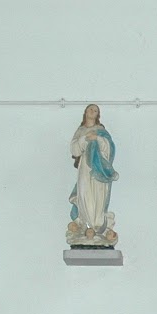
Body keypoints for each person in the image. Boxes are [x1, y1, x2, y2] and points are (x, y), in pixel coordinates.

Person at [67, 104, 119, 247]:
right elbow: (74, 150)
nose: (92, 111)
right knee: (85, 194)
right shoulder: (81, 131)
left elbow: (110, 149)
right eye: (90, 109)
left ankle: (97, 226)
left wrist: (97, 138)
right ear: (85, 112)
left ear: (98, 114)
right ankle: (86, 226)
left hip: (99, 169)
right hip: (85, 167)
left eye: (95, 110)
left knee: (98, 196)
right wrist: (85, 138)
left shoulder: (101, 131)